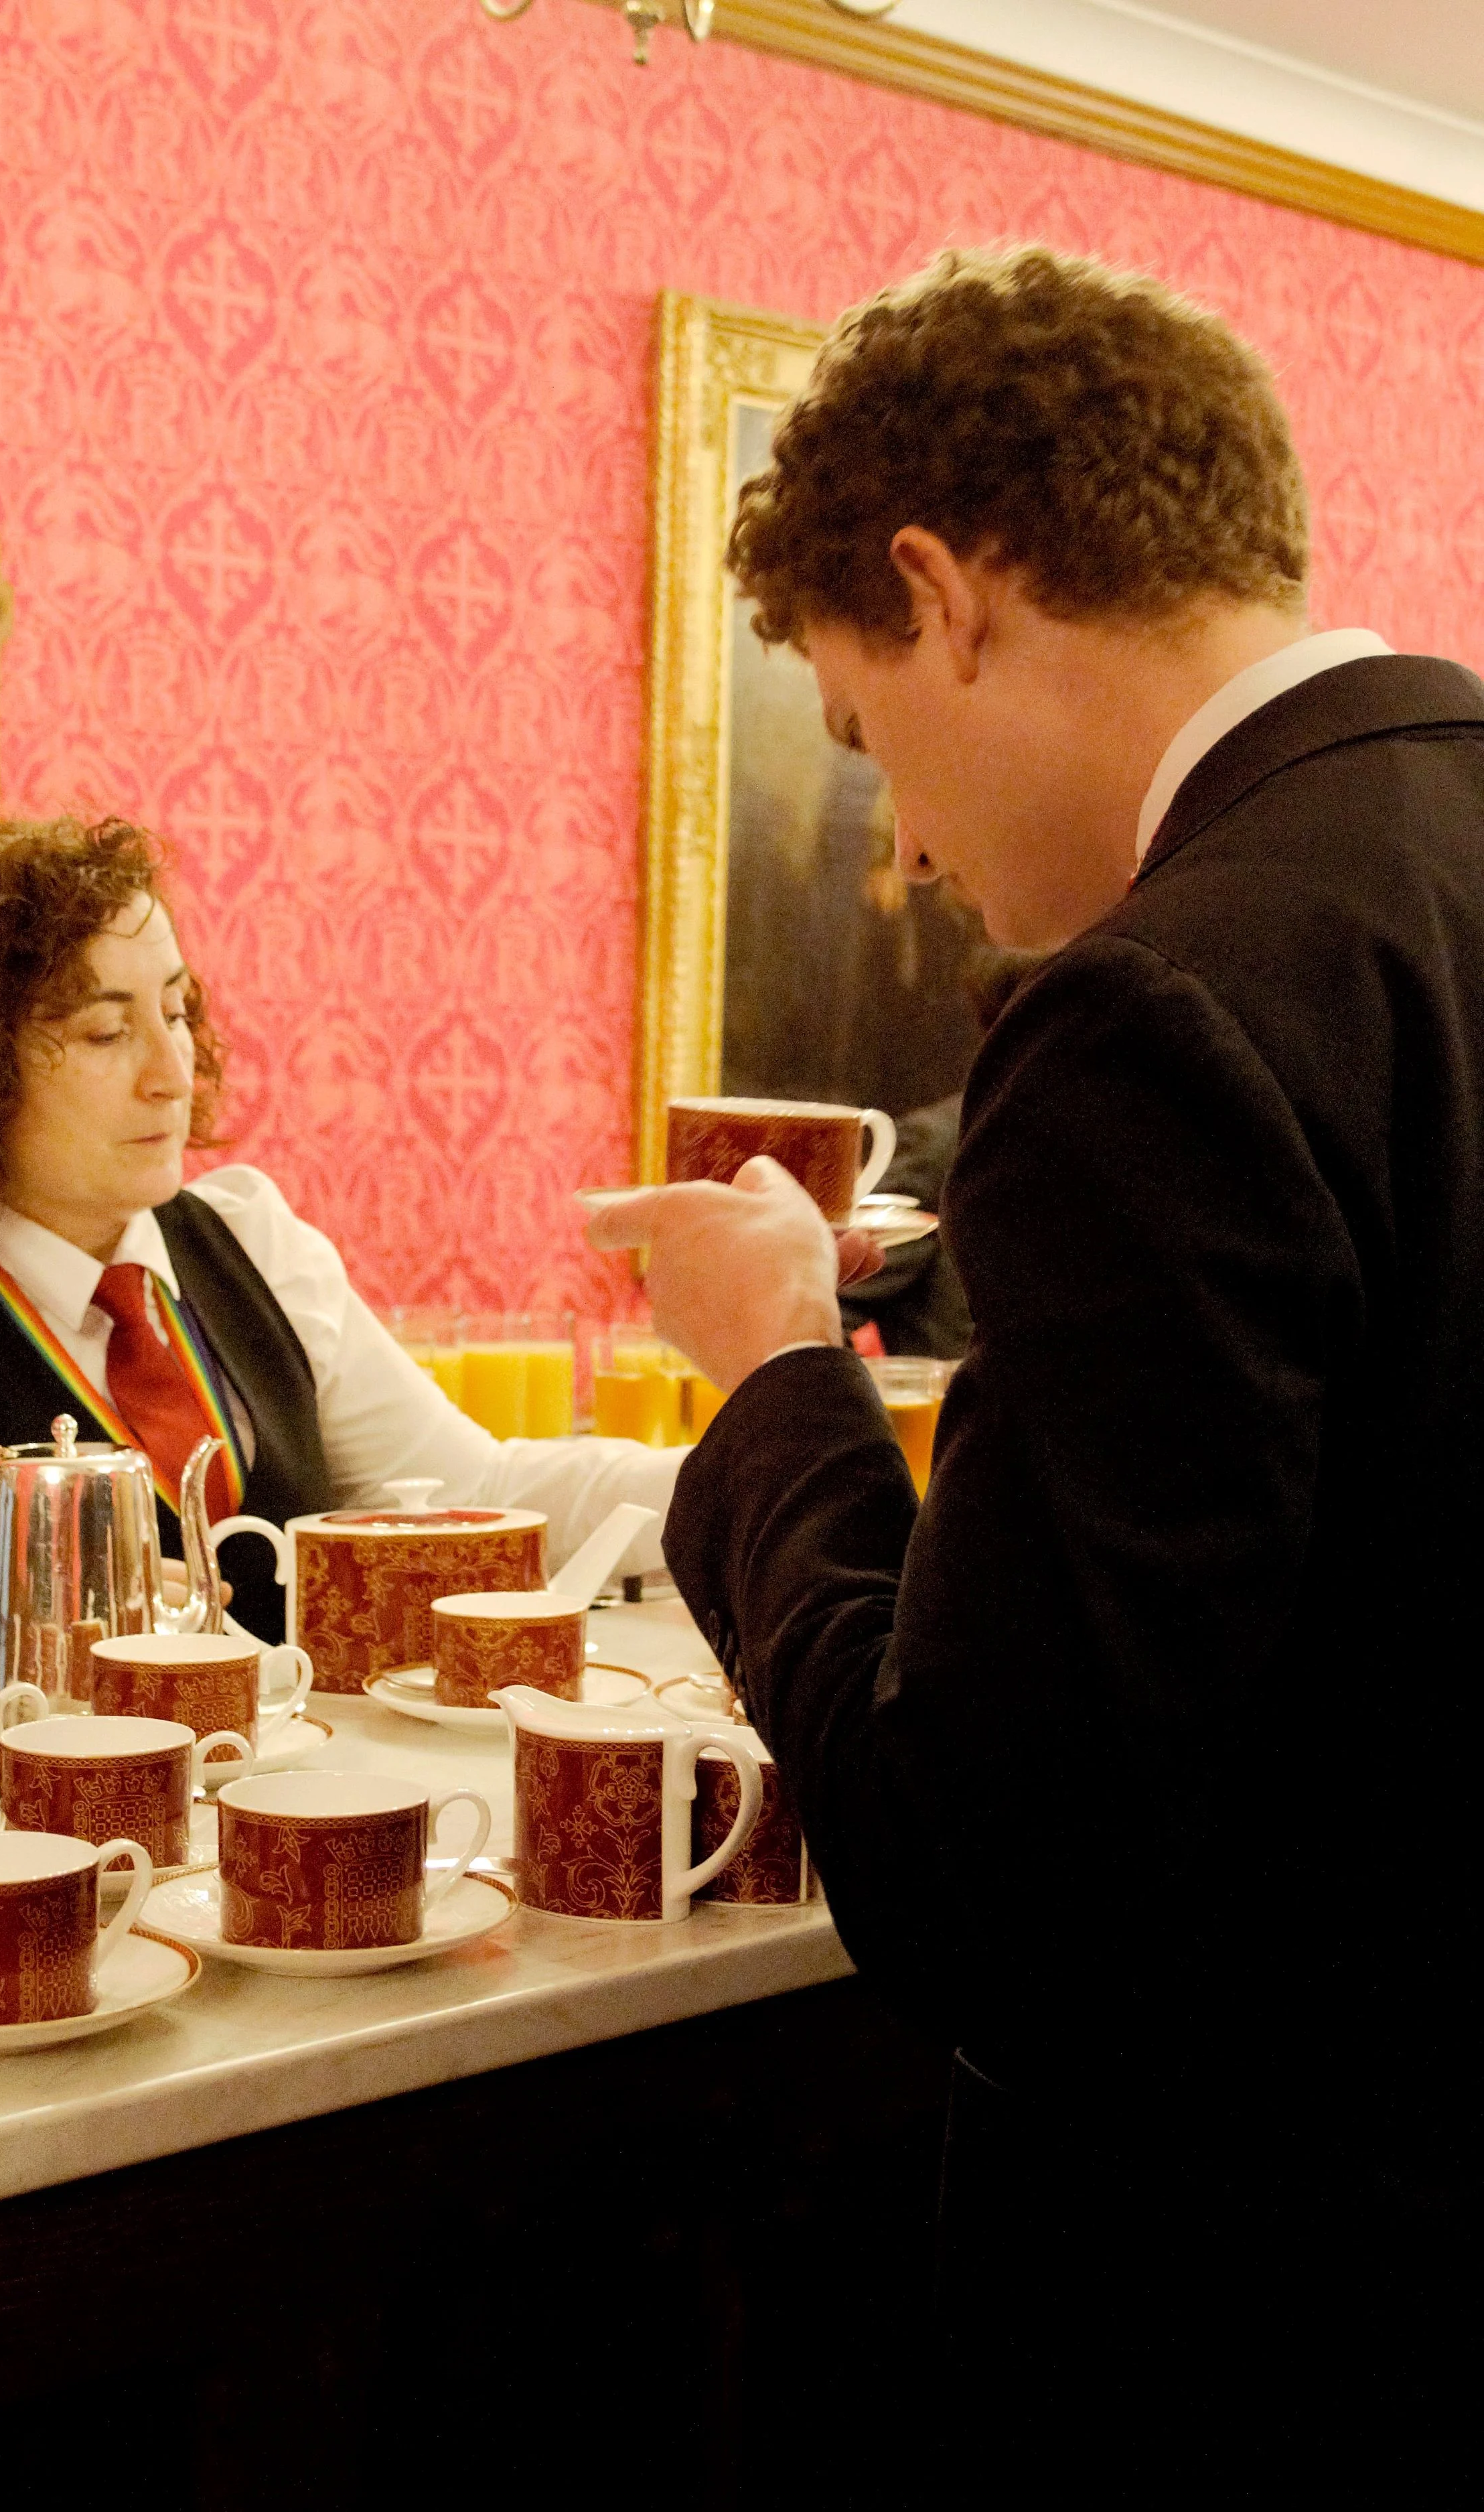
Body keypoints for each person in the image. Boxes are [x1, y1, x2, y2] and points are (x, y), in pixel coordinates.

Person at [590, 247, 1479, 2491]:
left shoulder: (1162, 1012)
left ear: (942, 588)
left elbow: (997, 1882)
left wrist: (783, 1370)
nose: (896, 847)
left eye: (871, 736)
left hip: (1271, 2324)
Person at [0, 815, 680, 1677]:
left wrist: (765, 1477)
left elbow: (482, 1496)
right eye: (107, 1033)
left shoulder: (253, 1242)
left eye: (178, 1011)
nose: (172, 1071)